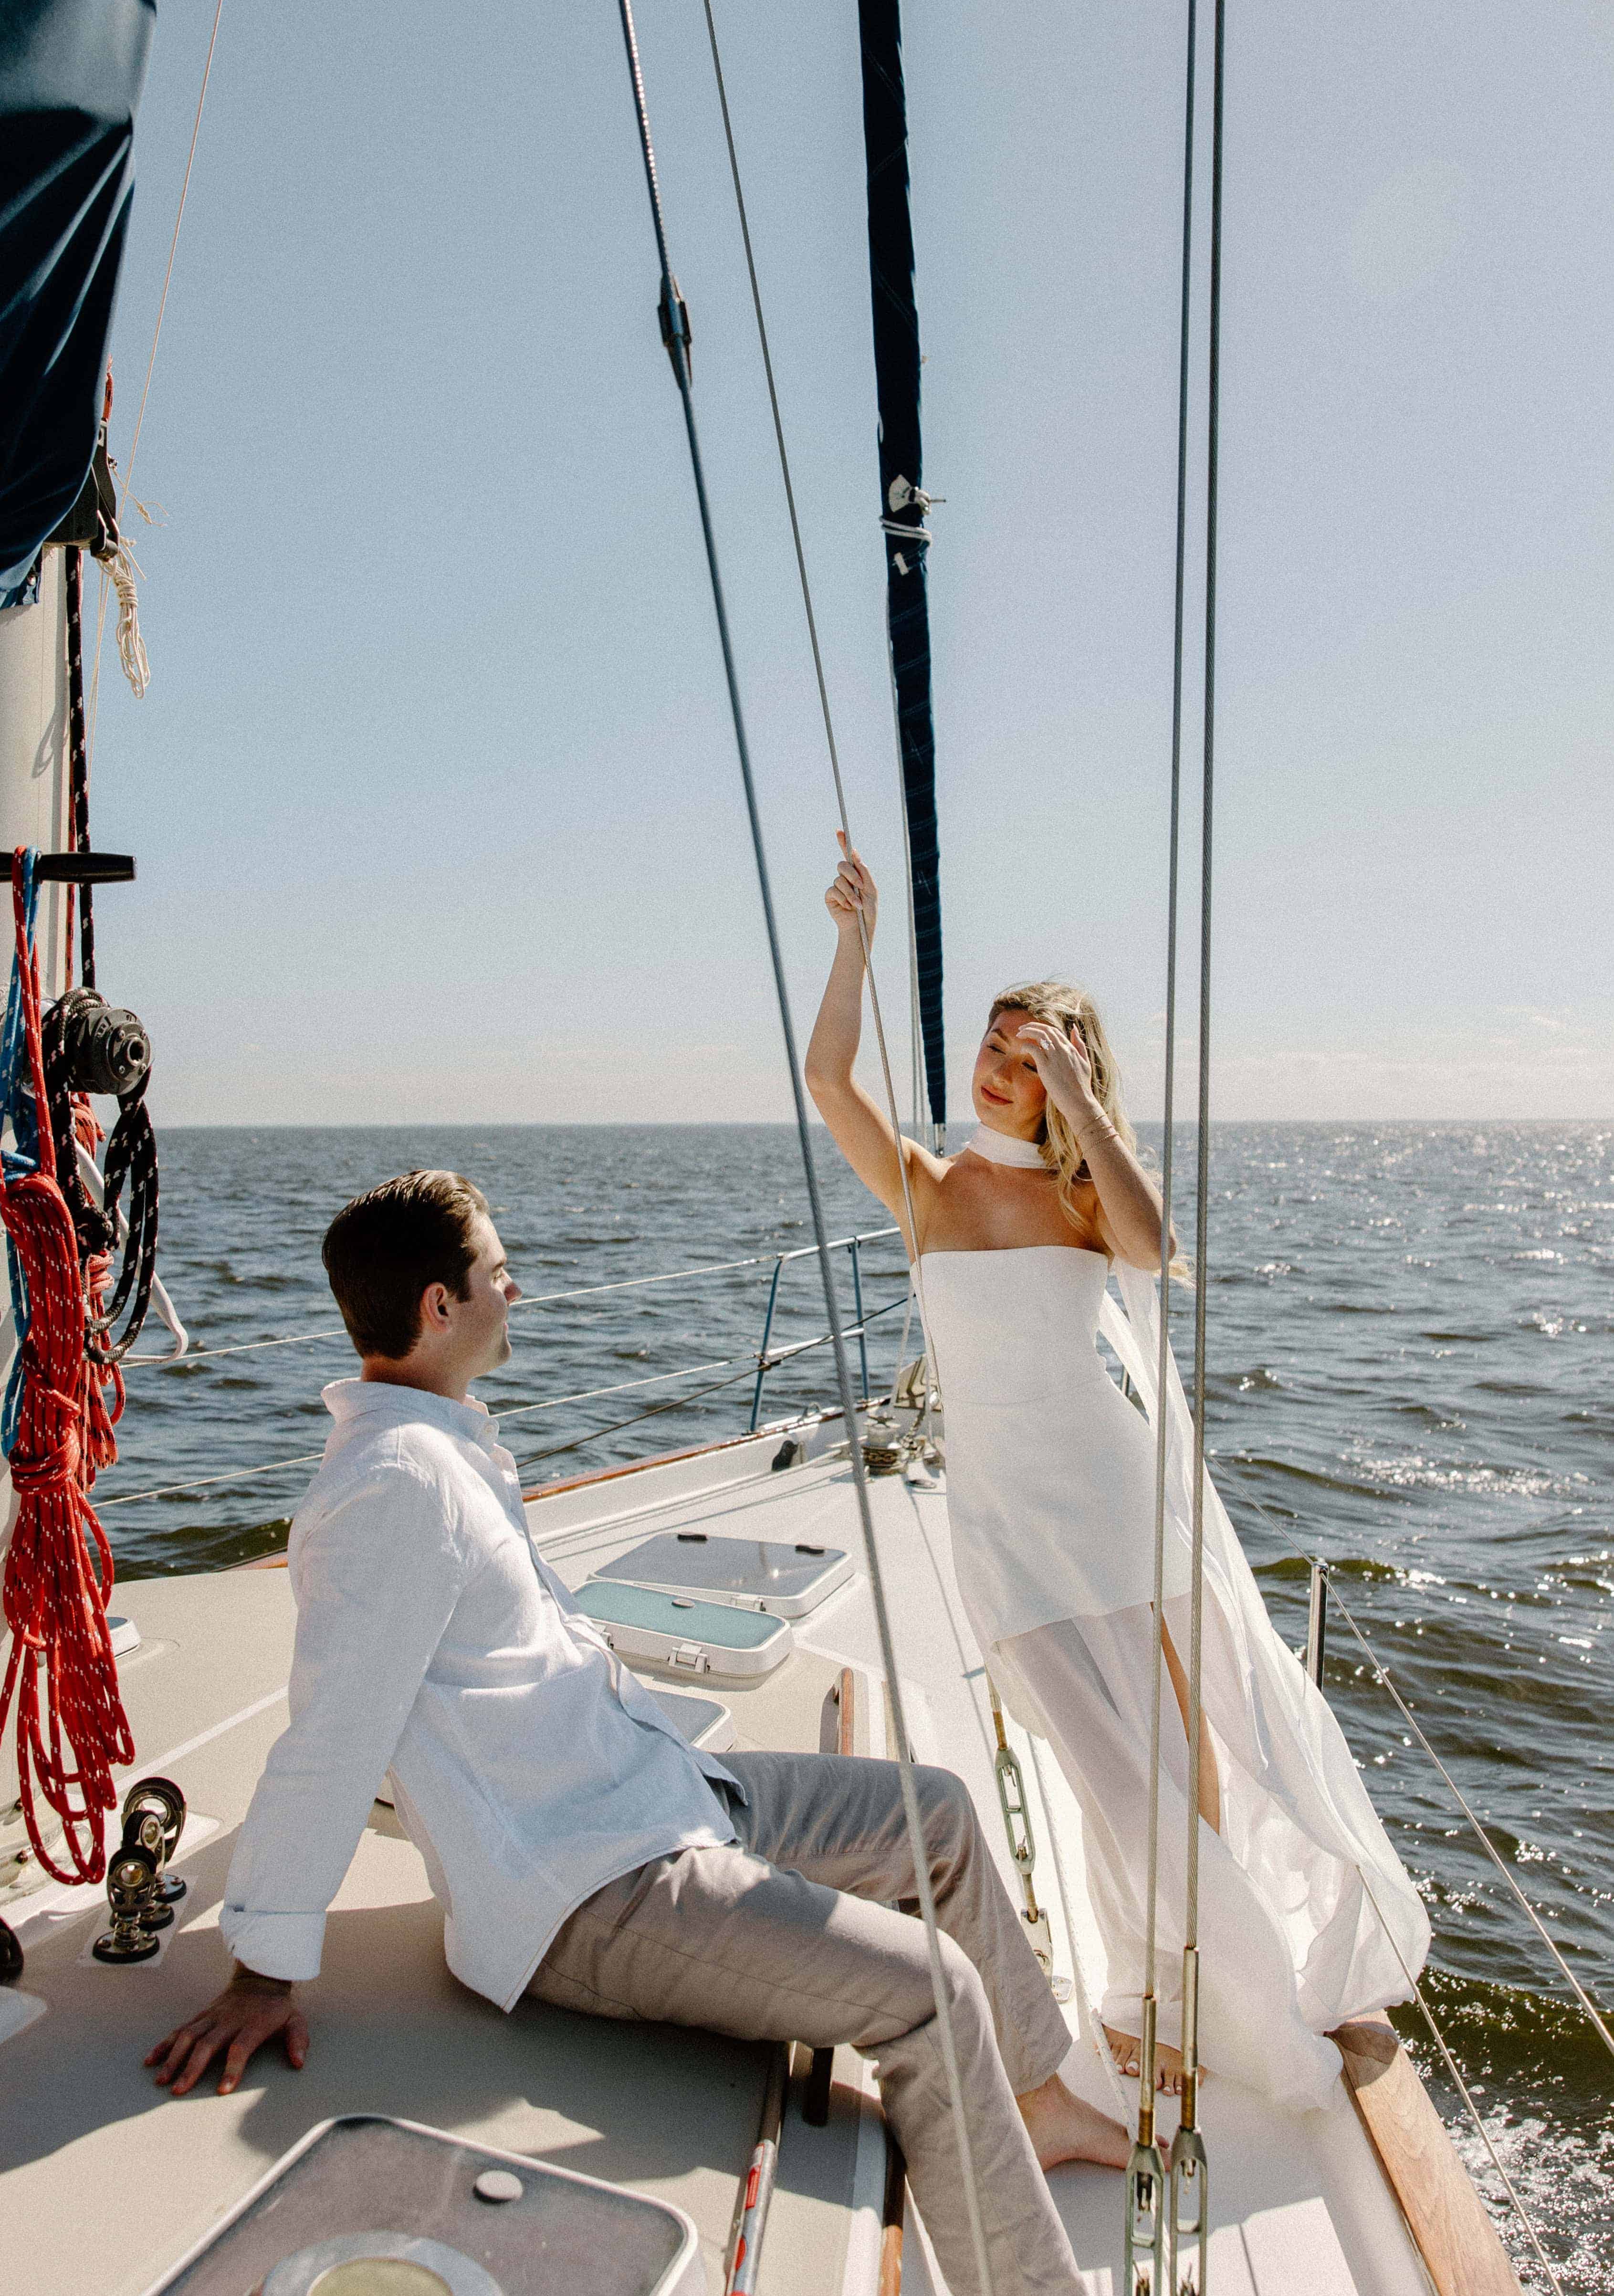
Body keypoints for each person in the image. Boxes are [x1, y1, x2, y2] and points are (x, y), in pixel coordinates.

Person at [146, 1167, 1132, 2296]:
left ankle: (1036, 2102)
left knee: (936, 1813)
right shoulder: (397, 1483)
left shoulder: (442, 1446)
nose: (517, 1286)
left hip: (657, 1794)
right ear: (439, 1305)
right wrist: (263, 1968)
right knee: (932, 1991)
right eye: (498, 1270)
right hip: (594, 1890)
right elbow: (334, 1731)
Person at [806, 839, 1431, 2108]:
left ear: (1066, 1077)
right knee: (1105, 1774)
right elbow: (826, 1078)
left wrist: (1080, 1101)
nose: (998, 1069)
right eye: (992, 1045)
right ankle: (1180, 1984)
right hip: (1004, 1523)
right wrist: (852, 947)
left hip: (1115, 1502)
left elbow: (1151, 1244)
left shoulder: (1087, 1199)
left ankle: (1161, 1993)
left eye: (1026, 1056)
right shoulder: (926, 1185)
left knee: (1180, 1765)